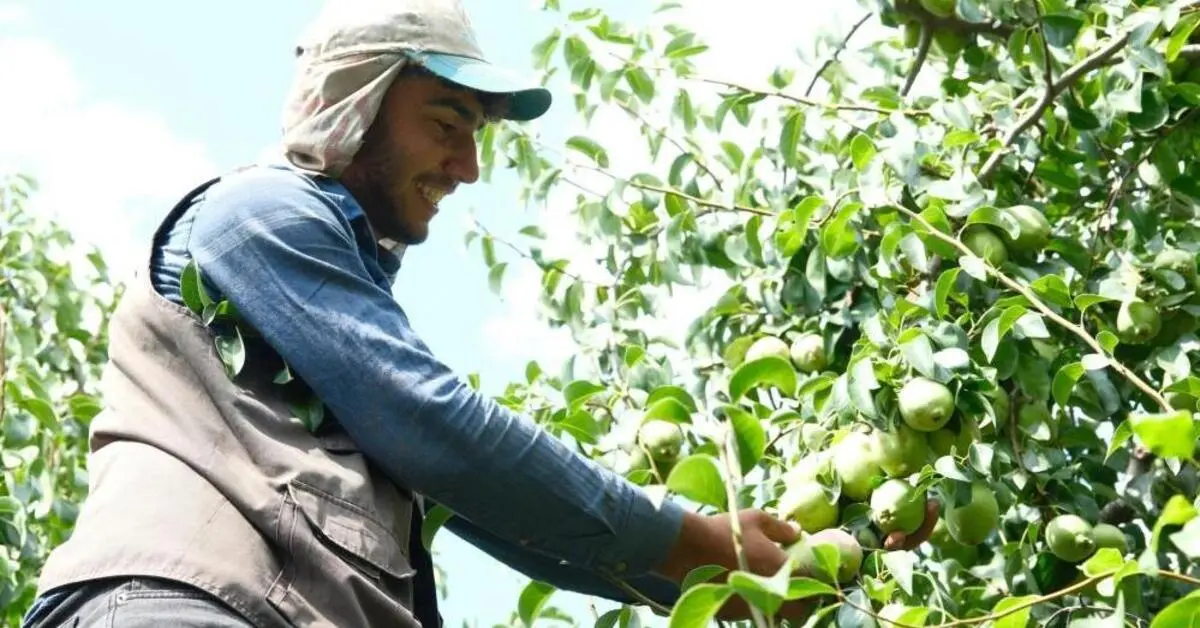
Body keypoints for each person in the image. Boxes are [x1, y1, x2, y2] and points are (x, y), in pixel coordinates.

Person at [20, 1, 936, 626]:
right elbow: (439, 431)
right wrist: (698, 541)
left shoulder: (339, 310)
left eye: (477, 138)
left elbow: (494, 506)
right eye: (447, 124)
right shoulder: (260, 215)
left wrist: (724, 575)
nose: (468, 168)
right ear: (355, 106)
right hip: (183, 604)